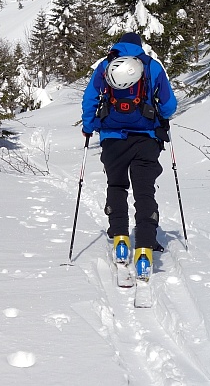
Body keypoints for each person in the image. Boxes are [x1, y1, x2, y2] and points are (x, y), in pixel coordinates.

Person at [80, 31, 177, 279]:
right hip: (147, 139)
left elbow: (90, 98)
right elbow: (169, 106)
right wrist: (160, 114)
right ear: (140, 47)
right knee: (144, 192)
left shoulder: (105, 66)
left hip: (112, 138)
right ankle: (144, 248)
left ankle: (120, 239)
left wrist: (89, 126)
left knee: (117, 186)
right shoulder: (152, 66)